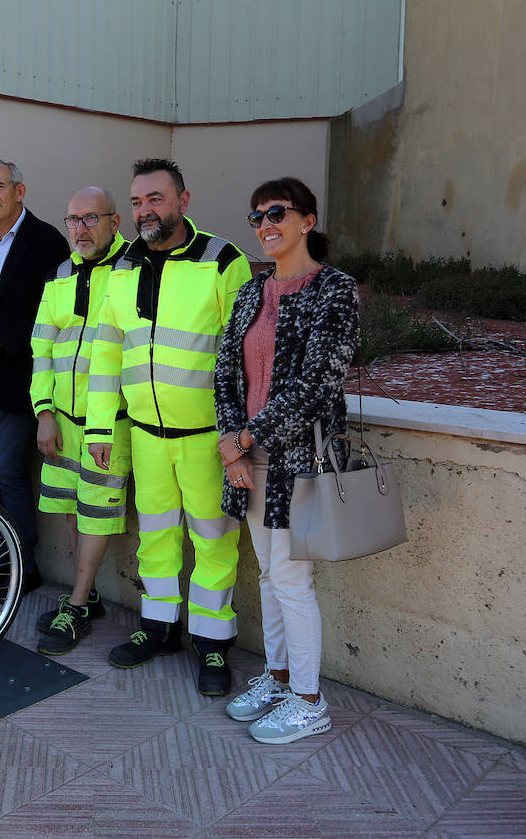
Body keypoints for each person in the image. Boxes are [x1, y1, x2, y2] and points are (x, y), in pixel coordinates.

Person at [86, 158, 252, 697]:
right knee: (154, 539)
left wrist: (237, 436)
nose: (144, 211)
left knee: (213, 542)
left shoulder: (224, 261)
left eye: (155, 199)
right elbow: (106, 354)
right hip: (145, 435)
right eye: (136, 202)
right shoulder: (122, 267)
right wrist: (98, 431)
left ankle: (211, 644)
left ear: (184, 201)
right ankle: (158, 629)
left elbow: (241, 354)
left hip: (208, 437)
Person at [215, 177, 359, 744]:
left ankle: (308, 699)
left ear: (308, 220)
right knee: (270, 574)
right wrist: (233, 442)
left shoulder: (335, 290)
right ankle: (278, 678)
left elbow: (319, 382)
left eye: (277, 212)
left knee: (294, 581)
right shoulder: (252, 292)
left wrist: (245, 439)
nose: (266, 225)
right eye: (256, 217)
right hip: (249, 458)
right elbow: (226, 370)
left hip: (300, 459)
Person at [0, 160, 69, 596]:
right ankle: (3, 558)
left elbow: (52, 314)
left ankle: (25, 566)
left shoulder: (47, 242)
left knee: (11, 472)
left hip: (25, 378)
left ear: (20, 191)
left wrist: (7, 337)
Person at [30, 187, 132, 654]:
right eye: (73, 220)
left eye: (91, 218)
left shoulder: (135, 268)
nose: (80, 229)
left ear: (114, 221)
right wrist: (44, 412)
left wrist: (104, 421)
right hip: (62, 419)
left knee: (95, 511)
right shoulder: (58, 274)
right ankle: (87, 597)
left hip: (110, 419)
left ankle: (74, 605)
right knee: (74, 507)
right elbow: (43, 351)